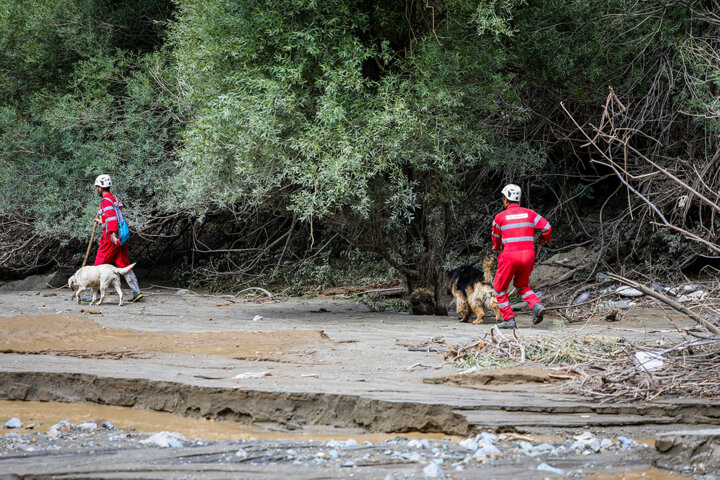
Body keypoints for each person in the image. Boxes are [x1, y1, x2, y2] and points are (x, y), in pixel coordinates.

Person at [491, 184, 551, 329]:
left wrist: (496, 249)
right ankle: (536, 305)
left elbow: (496, 239)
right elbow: (547, 227)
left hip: (509, 256)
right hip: (529, 255)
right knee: (522, 285)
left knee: (499, 289)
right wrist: (544, 239)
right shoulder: (530, 213)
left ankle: (509, 320)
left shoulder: (499, 217)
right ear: (518, 200)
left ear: (505, 200)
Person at [83, 174, 143, 303]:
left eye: (97, 187)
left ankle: (96, 295)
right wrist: (101, 220)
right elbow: (112, 216)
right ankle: (136, 292)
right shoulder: (114, 199)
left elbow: (112, 219)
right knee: (124, 264)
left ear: (100, 187)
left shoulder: (105, 201)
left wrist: (113, 234)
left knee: (98, 266)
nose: (97, 189)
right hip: (120, 239)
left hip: (110, 239)